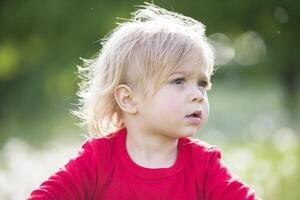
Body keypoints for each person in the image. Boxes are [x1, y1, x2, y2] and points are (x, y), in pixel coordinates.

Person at [28, 3, 260, 200]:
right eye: (179, 81)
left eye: (202, 83)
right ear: (128, 99)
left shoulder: (204, 165)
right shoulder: (98, 160)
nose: (197, 94)